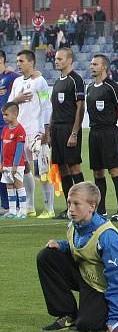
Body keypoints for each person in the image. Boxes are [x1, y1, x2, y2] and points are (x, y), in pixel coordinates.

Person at [36, 182, 118, 332]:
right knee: (47, 256)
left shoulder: (107, 237)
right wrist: (61, 245)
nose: (70, 209)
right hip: (86, 274)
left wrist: (116, 317)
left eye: (77, 204)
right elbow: (79, 246)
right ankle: (67, 315)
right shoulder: (74, 225)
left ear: (92, 206)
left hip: (104, 285)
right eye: (69, 203)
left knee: (87, 325)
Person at [9, 50, 53, 218]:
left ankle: (49, 208)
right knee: (25, 168)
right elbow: (8, 105)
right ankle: (30, 205)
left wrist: (45, 130)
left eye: (21, 61)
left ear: (31, 62)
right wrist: (17, 100)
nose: (18, 63)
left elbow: (46, 105)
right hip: (21, 131)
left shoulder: (40, 82)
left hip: (36, 131)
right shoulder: (17, 82)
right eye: (17, 61)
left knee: (41, 169)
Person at [85, 54, 118, 222]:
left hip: (109, 132)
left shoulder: (112, 87)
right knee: (97, 172)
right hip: (94, 133)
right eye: (91, 64)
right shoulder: (89, 88)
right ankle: (101, 211)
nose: (91, 66)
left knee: (114, 170)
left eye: (95, 64)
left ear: (104, 67)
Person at [49, 48, 85, 219]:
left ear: (69, 60)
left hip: (69, 128)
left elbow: (80, 107)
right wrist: (50, 131)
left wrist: (75, 133)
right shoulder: (57, 81)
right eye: (56, 59)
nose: (56, 61)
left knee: (74, 167)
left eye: (60, 59)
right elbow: (54, 108)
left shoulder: (76, 80)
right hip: (56, 130)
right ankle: (69, 207)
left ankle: (83, 205)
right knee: (62, 168)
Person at [0, 50, 20, 213]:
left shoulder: (12, 77)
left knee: (8, 166)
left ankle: (12, 205)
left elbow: (29, 77)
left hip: (7, 129)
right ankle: (5, 204)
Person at [1, 102, 27, 218]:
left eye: (6, 115)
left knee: (18, 185)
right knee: (9, 186)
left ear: (15, 114)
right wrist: (1, 162)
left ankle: (23, 211)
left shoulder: (20, 130)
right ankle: (12, 211)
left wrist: (15, 164)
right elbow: (3, 147)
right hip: (6, 164)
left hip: (16, 164)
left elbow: (19, 149)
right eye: (3, 115)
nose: (4, 117)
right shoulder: (5, 129)